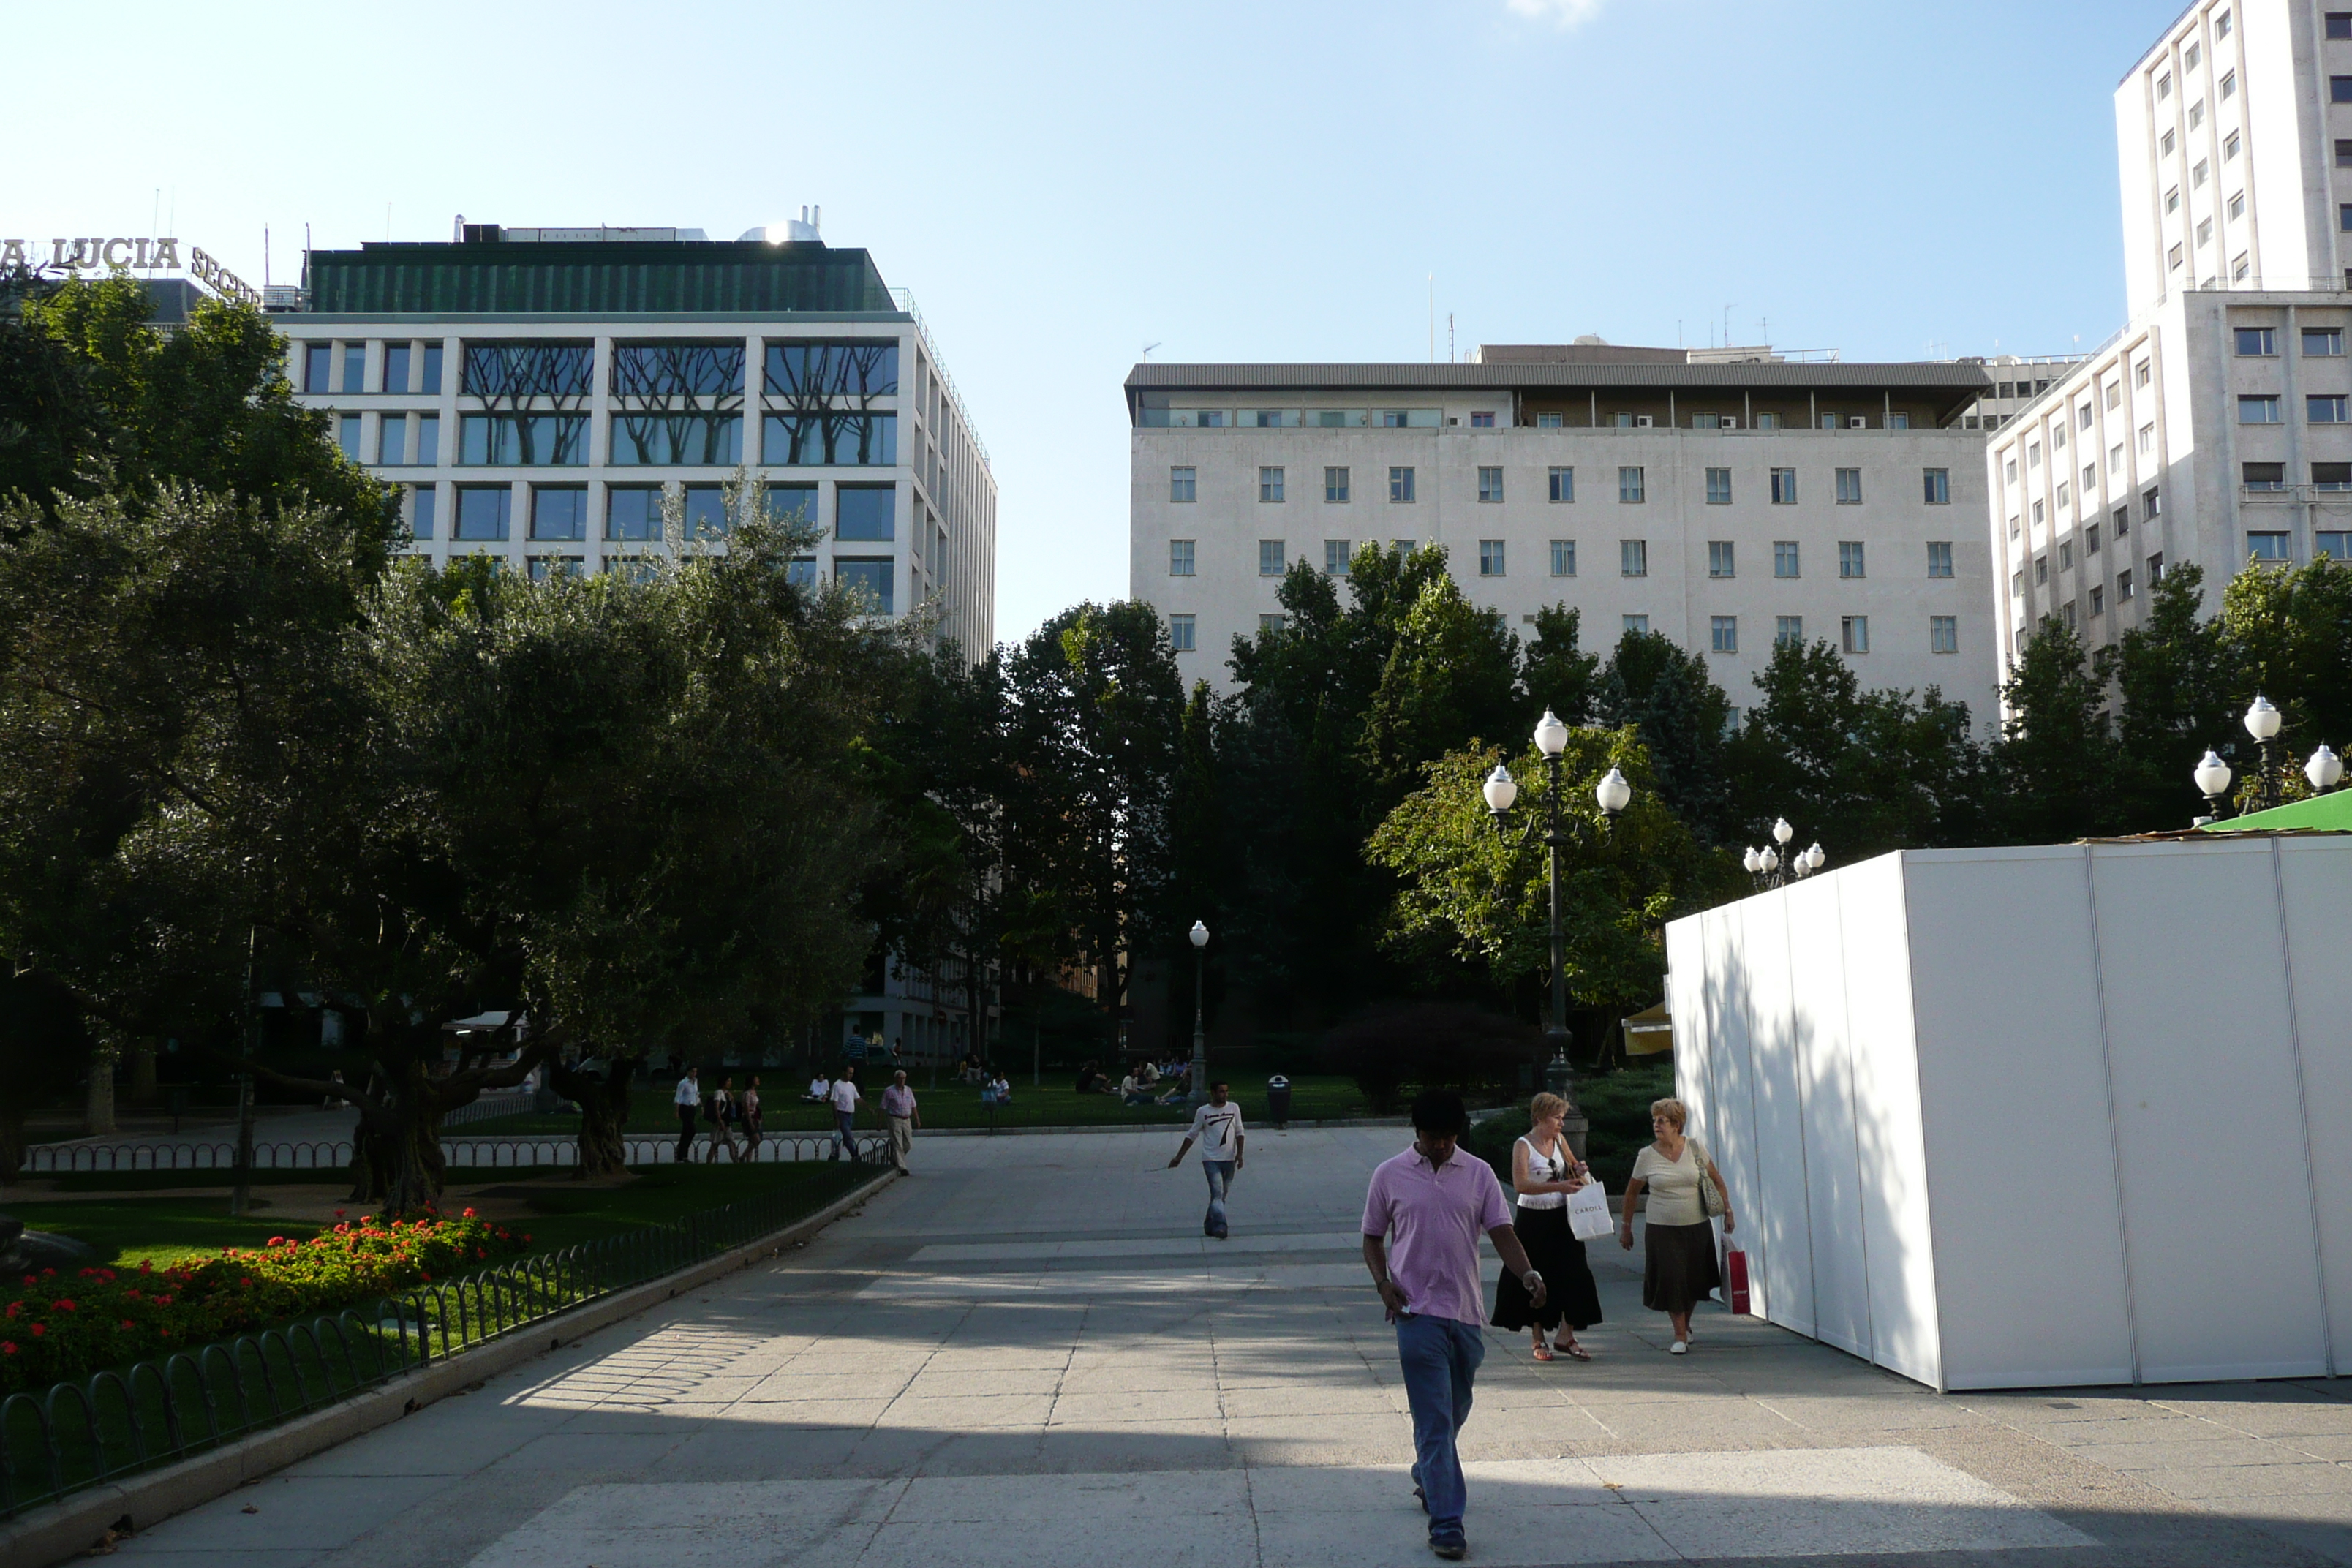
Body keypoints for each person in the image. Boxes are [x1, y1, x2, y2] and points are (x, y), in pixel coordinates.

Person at [1361, 1090, 1545, 1563]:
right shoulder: (1390, 1175)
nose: (1441, 1146)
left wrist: (1526, 1272)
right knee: (1436, 1420)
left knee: (1457, 1405)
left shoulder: (1479, 1173)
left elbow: (1502, 1231)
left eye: (1447, 1138)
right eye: (1432, 1138)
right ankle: (1447, 1523)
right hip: (1414, 1313)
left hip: (1465, 1312)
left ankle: (1427, 1470)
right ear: (1416, 1133)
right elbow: (1372, 1237)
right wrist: (1383, 1283)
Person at [1491, 1093, 1604, 1362]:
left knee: (1576, 1271)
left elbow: (1571, 1169)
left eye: (1563, 1118)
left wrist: (1578, 1169)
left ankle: (1566, 1334)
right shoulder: (1523, 1146)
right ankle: (1537, 1336)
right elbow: (1520, 1185)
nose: (1561, 1123)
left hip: (1562, 1215)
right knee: (1536, 1273)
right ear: (1540, 1117)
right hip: (1533, 1217)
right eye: (1557, 1118)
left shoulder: (1559, 1140)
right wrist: (1559, 1186)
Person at [1619, 1096, 1734, 1355]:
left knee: (1694, 1280)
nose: (1656, 1125)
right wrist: (1626, 1227)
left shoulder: (1695, 1148)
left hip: (1696, 1226)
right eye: (1654, 1120)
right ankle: (1679, 1335)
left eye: (1662, 1120)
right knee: (1672, 1279)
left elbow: (1718, 1181)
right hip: (1662, 1228)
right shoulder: (1646, 1156)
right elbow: (1631, 1194)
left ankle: (1687, 1325)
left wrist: (1728, 1211)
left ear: (1676, 1124)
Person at [1166, 1079, 1245, 1238]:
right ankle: (1221, 1226)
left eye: (1226, 1091)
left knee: (1222, 1196)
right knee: (1217, 1193)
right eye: (1221, 1091)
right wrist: (1179, 1157)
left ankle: (1209, 1224)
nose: (1225, 1094)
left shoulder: (1234, 1108)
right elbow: (1192, 1135)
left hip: (1229, 1159)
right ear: (1214, 1093)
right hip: (1211, 1159)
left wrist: (1240, 1154)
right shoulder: (1204, 1112)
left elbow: (1239, 1132)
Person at [881, 1068, 920, 1173]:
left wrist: (917, 1119)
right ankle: (902, 1167)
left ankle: (895, 1159)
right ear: (895, 1079)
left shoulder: (908, 1090)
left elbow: (913, 1105)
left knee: (907, 1144)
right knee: (898, 1143)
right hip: (894, 1118)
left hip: (906, 1119)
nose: (902, 1080)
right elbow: (883, 1107)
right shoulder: (889, 1091)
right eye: (900, 1078)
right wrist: (879, 1122)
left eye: (904, 1078)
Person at [829, 1066, 862, 1161]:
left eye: (852, 1073)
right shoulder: (837, 1085)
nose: (851, 1075)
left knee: (846, 1139)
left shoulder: (851, 1085)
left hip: (850, 1115)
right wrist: (836, 1118)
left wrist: (868, 1107)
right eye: (849, 1073)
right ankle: (855, 1156)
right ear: (843, 1073)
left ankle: (834, 1156)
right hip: (842, 1114)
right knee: (848, 1136)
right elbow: (834, 1102)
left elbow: (857, 1098)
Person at [706, 1076, 740, 1163]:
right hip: (721, 1122)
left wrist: (731, 1098)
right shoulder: (718, 1093)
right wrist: (720, 1120)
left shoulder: (727, 1093)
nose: (730, 1083)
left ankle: (734, 1160)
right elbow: (717, 1108)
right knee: (715, 1144)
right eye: (728, 1081)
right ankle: (709, 1162)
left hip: (727, 1122)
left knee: (731, 1142)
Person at [672, 1066, 701, 1164]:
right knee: (691, 1129)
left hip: (692, 1107)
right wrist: (677, 1111)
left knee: (686, 1131)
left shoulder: (695, 1082)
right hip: (684, 1108)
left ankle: (683, 1154)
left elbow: (696, 1094)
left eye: (695, 1072)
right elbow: (678, 1098)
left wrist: (700, 1104)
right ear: (688, 1072)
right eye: (692, 1071)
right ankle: (682, 1150)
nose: (694, 1074)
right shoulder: (683, 1083)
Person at [742, 1076, 764, 1158]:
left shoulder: (754, 1092)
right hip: (749, 1117)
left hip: (755, 1117)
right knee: (756, 1140)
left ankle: (748, 1161)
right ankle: (742, 1157)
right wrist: (750, 1121)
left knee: (751, 1142)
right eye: (756, 1079)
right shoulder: (747, 1093)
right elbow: (746, 1108)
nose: (758, 1081)